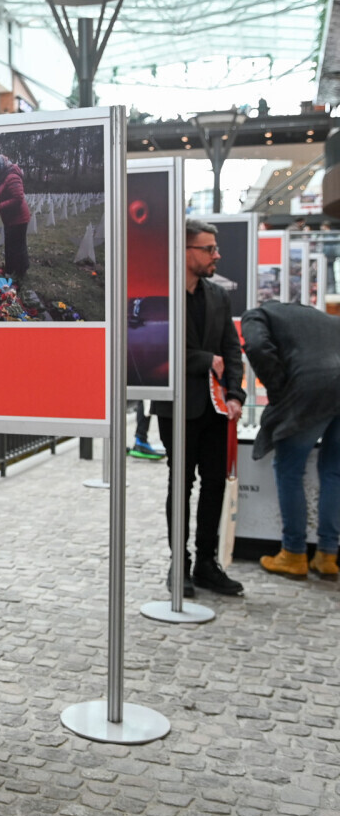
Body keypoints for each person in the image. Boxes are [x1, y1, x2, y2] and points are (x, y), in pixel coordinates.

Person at [152, 219, 246, 597]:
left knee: (214, 484)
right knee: (181, 484)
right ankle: (180, 564)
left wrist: (236, 394)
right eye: (209, 249)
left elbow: (231, 349)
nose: (216, 255)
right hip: (176, 407)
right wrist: (204, 360)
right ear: (185, 250)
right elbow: (153, 349)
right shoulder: (159, 294)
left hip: (217, 408)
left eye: (215, 248)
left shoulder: (218, 296)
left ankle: (207, 564)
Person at [242, 301, 340, 580]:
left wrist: (277, 389)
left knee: (289, 470)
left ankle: (294, 553)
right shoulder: (320, 317)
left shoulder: (256, 315)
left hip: (309, 388)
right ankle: (328, 555)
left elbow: (257, 346)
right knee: (334, 471)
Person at [0, 154, 30, 280]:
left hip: (19, 218)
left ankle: (19, 272)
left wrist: (0, 207)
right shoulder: (1, 179)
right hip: (10, 219)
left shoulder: (12, 177)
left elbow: (18, 198)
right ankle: (11, 270)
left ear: (1, 165)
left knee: (17, 246)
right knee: (10, 245)